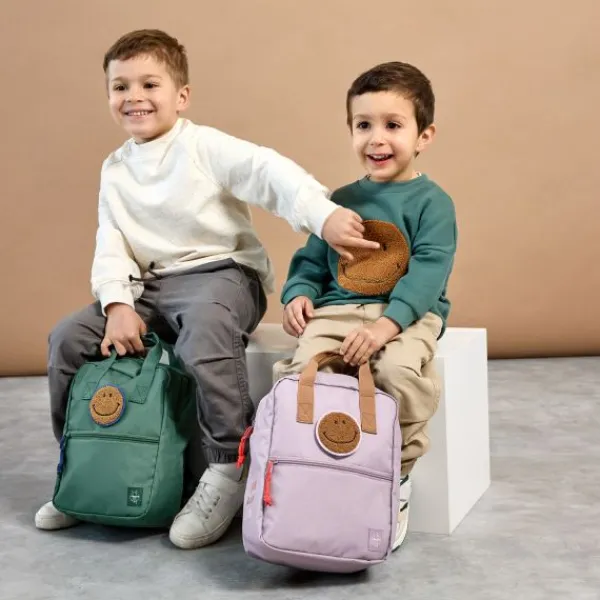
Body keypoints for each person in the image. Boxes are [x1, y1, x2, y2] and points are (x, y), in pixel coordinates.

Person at [35, 29, 379, 549]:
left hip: (222, 275)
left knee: (204, 330)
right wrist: (118, 303)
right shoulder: (115, 168)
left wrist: (323, 215)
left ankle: (225, 467)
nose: (134, 97)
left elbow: (268, 172)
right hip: (148, 287)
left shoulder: (202, 146)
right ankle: (83, 460)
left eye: (149, 84)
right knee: (66, 339)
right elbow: (112, 242)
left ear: (182, 96)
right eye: (120, 86)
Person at [273, 61, 458, 550]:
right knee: (303, 373)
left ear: (424, 136)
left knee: (396, 373)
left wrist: (387, 327)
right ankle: (314, 468)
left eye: (393, 125)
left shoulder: (433, 203)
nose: (377, 139)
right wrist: (299, 293)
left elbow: (429, 271)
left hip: (406, 314)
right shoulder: (340, 200)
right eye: (363, 125)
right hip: (336, 311)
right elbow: (311, 260)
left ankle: (396, 475)